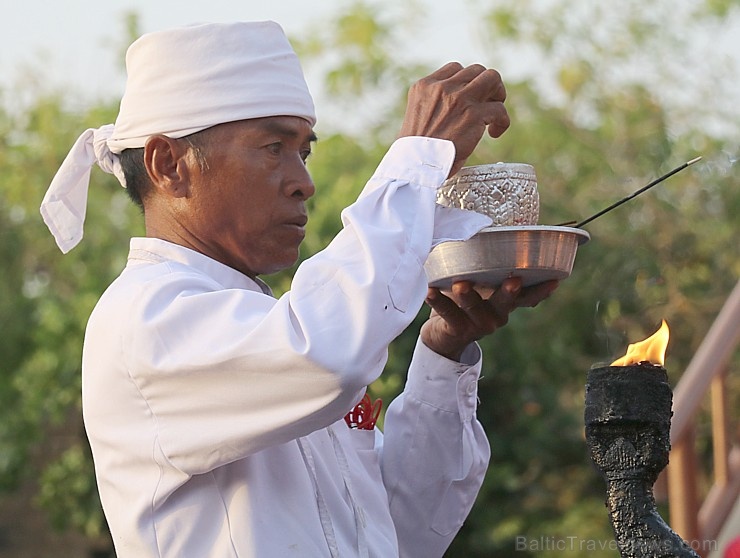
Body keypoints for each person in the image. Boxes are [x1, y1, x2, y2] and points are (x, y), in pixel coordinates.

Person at [40, 21, 558, 558]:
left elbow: (397, 528)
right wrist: (419, 156)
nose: (302, 181)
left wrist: (444, 350)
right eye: (272, 147)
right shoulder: (142, 318)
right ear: (168, 165)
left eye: (303, 152)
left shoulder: (262, 328)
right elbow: (326, 352)